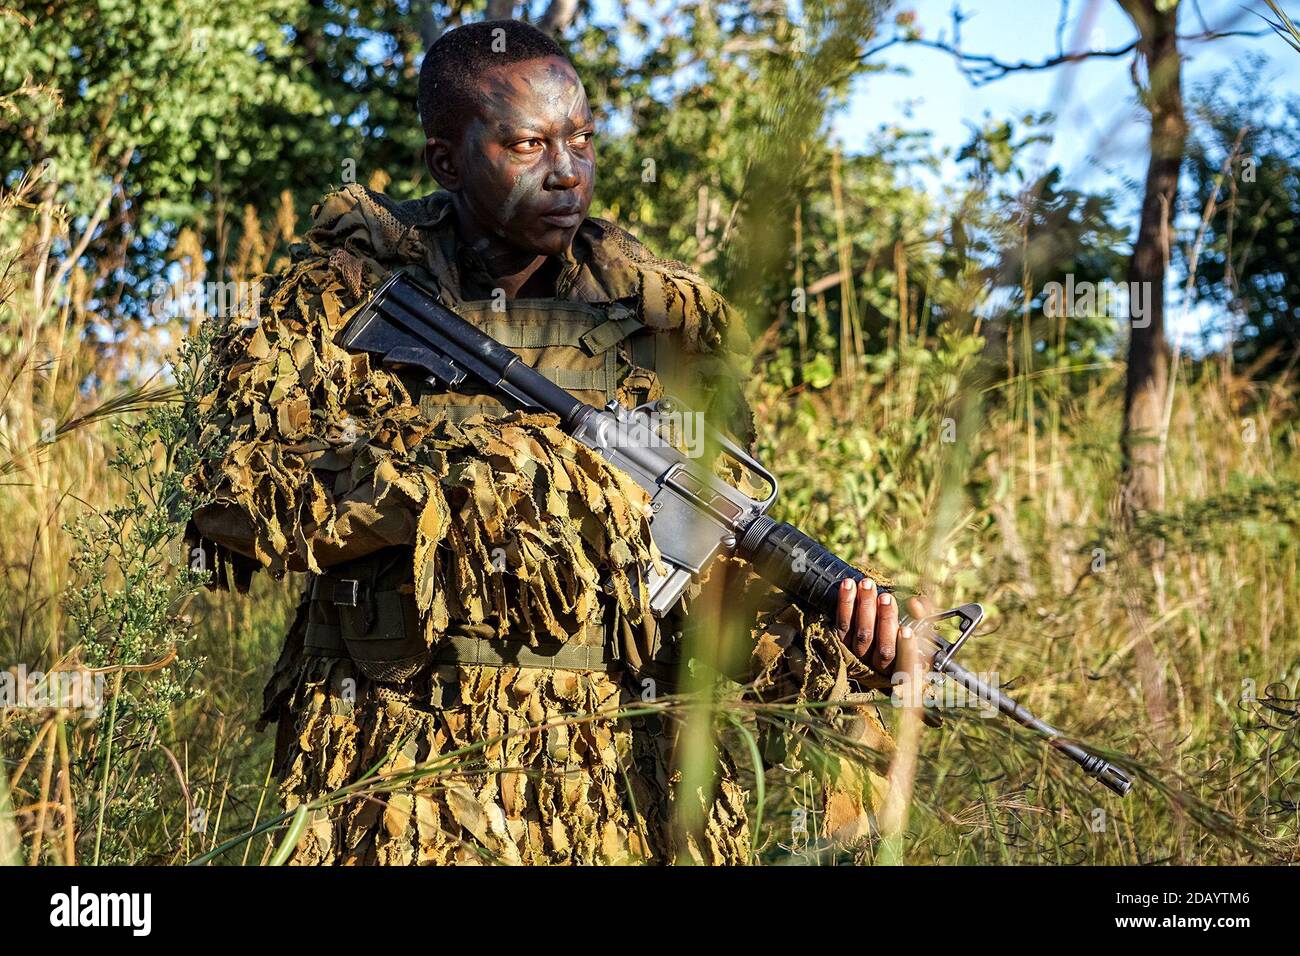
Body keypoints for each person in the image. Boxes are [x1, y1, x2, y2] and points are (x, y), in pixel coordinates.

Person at [186, 18, 924, 865]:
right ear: (446, 161)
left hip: (615, 785)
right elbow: (230, 499)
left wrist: (836, 642)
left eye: (581, 138)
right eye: (529, 144)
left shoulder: (665, 319)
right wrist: (476, 484)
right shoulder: (346, 289)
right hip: (396, 780)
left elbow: (701, 583)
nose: (568, 172)